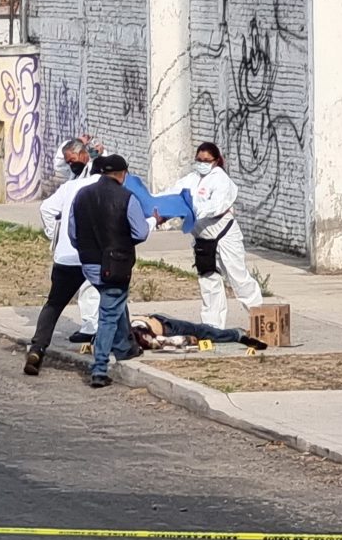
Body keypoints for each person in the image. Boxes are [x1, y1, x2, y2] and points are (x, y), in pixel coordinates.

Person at [155, 142, 262, 329]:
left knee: (238, 278)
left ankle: (261, 317)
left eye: (206, 160)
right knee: (209, 282)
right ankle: (212, 328)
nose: (202, 163)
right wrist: (161, 209)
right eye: (199, 160)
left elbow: (216, 206)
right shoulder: (191, 179)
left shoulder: (221, 179)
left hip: (224, 235)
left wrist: (191, 208)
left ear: (216, 160)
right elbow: (173, 194)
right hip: (202, 238)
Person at [68, 154, 153, 389]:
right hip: (115, 265)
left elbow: (73, 234)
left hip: (89, 264)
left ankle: (126, 348)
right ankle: (99, 368)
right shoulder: (126, 197)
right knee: (108, 314)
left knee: (115, 302)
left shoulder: (81, 195)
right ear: (123, 174)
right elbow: (141, 232)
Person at [23, 161, 102, 376]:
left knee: (54, 304)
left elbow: (46, 208)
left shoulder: (70, 186)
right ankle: (124, 345)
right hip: (94, 257)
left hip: (66, 256)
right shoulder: (108, 189)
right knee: (114, 300)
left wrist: (54, 235)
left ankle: (38, 348)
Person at [130, 314, 268, 351]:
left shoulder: (135, 336)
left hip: (163, 325)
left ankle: (237, 334)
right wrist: (186, 340)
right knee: (204, 332)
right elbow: (162, 342)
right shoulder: (142, 339)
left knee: (205, 332)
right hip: (167, 328)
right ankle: (238, 334)